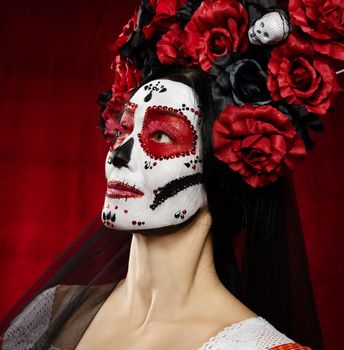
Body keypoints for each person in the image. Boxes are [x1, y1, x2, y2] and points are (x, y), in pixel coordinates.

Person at [1, 0, 342, 348]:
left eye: (162, 135)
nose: (118, 155)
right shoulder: (49, 314)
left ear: (225, 162)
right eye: (124, 130)